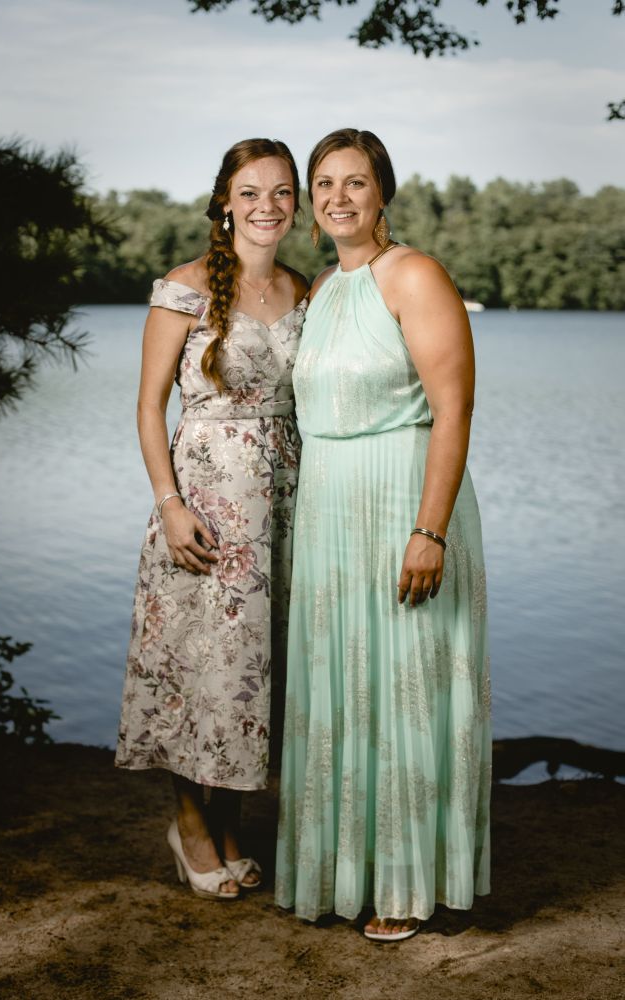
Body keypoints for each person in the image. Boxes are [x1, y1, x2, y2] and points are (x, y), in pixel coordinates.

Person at [275, 129, 491, 940]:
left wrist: (428, 530)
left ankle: (406, 884)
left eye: (355, 182)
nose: (338, 197)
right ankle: (344, 873)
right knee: (339, 686)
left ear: (382, 193)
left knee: (404, 686)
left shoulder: (414, 274)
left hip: (403, 500)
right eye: (324, 183)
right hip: (329, 509)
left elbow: (453, 411)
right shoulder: (323, 287)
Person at [115, 138, 308, 901]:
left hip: (282, 509)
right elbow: (147, 406)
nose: (267, 206)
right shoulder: (185, 288)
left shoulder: (302, 289)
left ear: (295, 205)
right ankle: (190, 824)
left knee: (248, 674)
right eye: (250, 191)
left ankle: (228, 823)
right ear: (225, 201)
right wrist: (171, 506)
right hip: (206, 505)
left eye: (281, 192)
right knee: (197, 670)